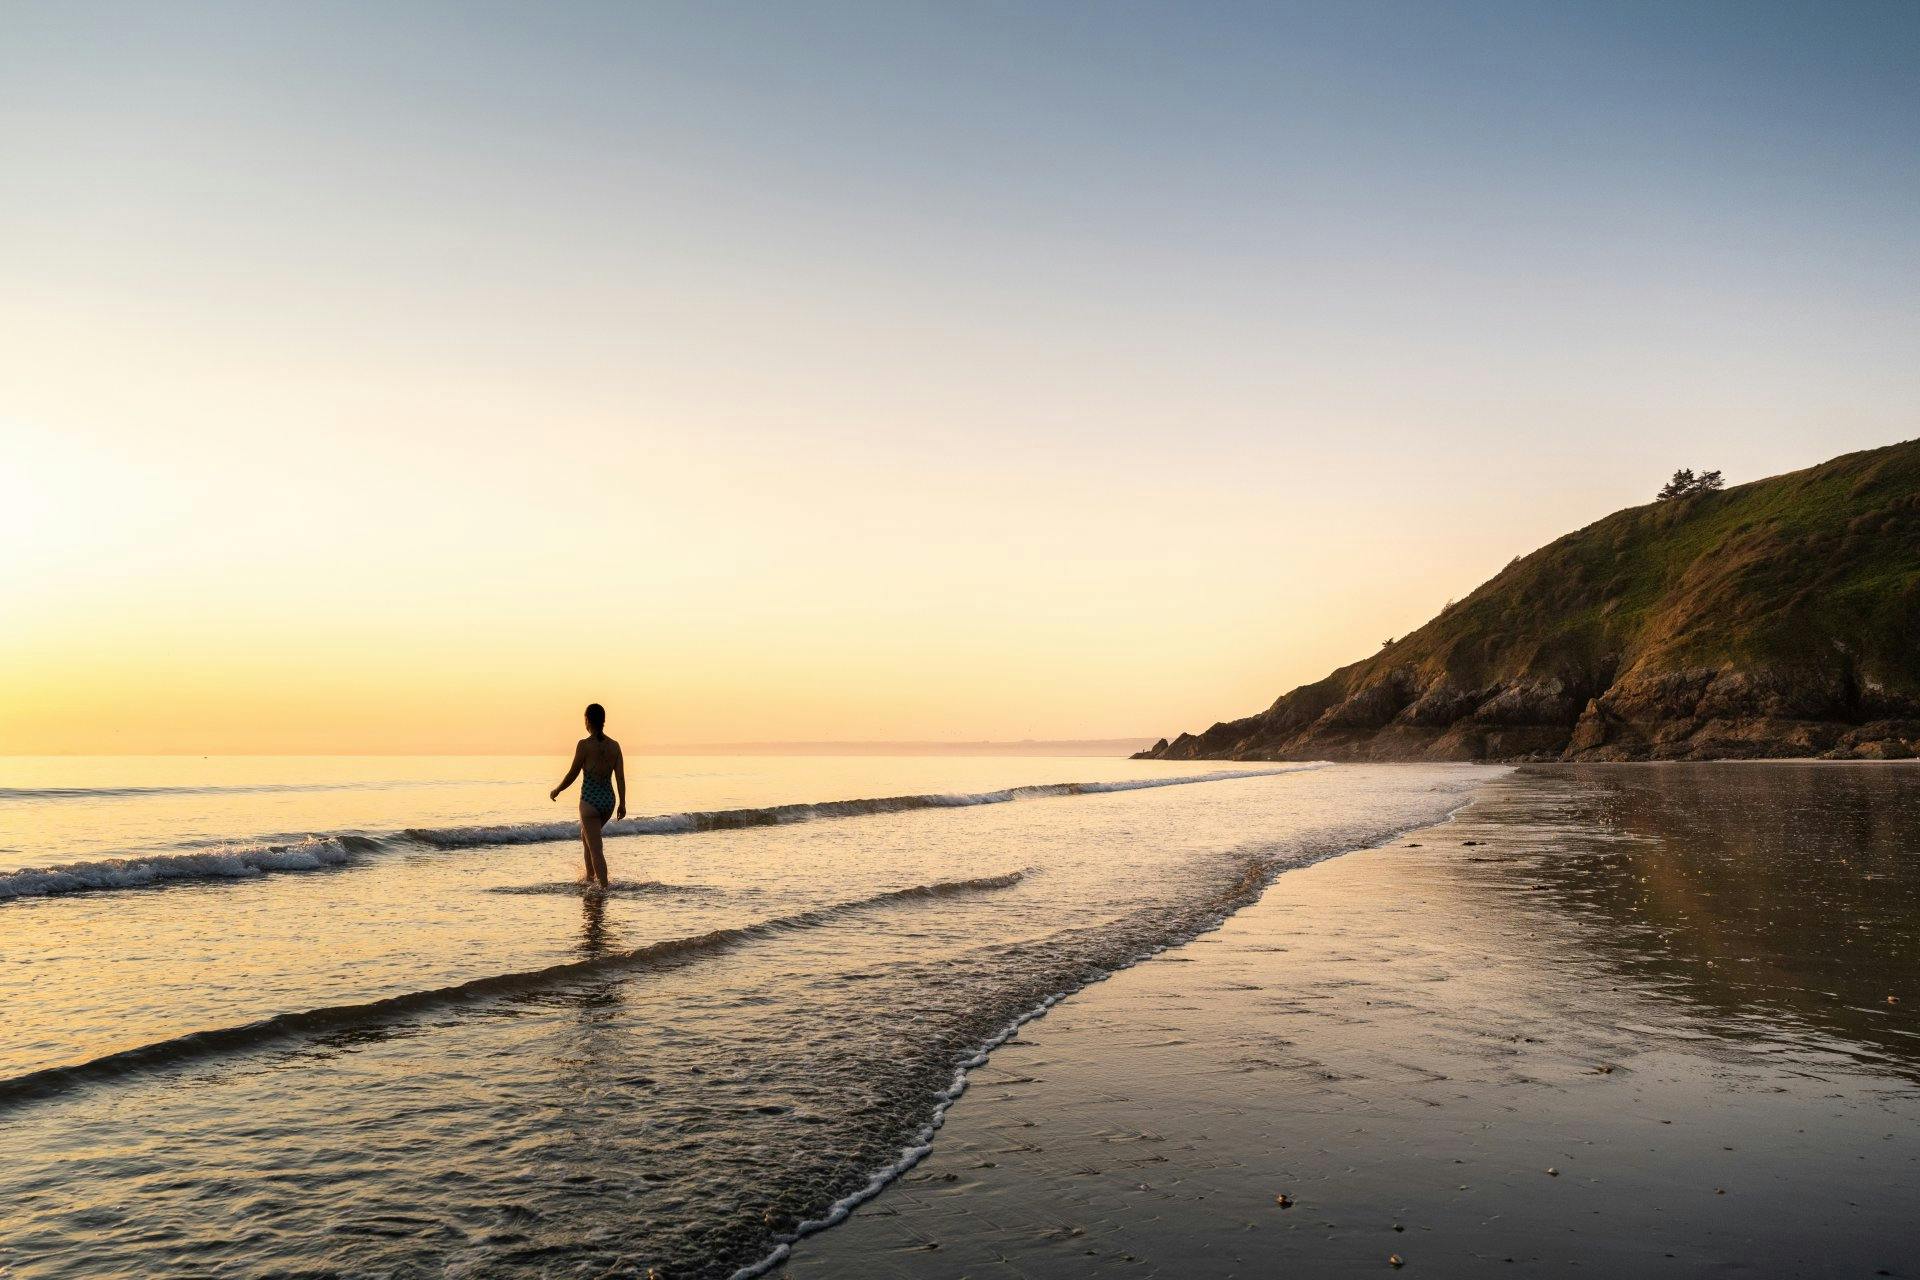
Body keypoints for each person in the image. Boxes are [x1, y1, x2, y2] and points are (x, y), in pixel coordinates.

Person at [550, 703, 626, 888]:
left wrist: (558, 789)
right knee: (587, 837)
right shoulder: (614, 746)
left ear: (587, 721)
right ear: (603, 721)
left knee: (595, 848)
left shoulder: (584, 745)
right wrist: (622, 803)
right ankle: (590, 879)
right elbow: (620, 778)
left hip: (590, 802)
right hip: (608, 801)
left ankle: (603, 888)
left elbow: (572, 773)